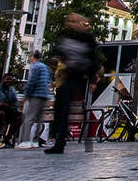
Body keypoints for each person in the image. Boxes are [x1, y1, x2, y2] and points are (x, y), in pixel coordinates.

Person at [42, 13, 98, 154]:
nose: (71, 24)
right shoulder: (67, 37)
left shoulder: (87, 39)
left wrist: (92, 79)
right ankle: (59, 141)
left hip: (79, 76)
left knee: (73, 108)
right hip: (67, 76)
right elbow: (61, 54)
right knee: (61, 109)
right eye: (70, 21)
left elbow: (92, 58)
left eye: (74, 21)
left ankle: (65, 141)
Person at [14, 51, 52, 147]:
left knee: (29, 118)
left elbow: (32, 81)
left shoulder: (35, 67)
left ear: (32, 57)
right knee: (39, 119)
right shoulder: (45, 67)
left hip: (35, 95)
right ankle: (35, 140)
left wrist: (26, 94)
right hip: (44, 95)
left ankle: (26, 141)